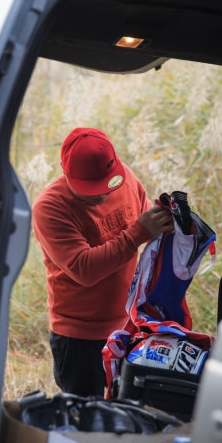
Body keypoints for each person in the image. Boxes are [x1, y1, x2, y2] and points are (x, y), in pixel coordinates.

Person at [32, 127, 174, 397]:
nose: (102, 195)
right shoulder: (50, 208)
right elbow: (85, 269)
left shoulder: (126, 180)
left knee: (127, 406)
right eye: (90, 189)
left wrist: (169, 221)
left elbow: (148, 227)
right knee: (84, 413)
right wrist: (138, 233)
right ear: (65, 172)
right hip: (79, 336)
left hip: (129, 325)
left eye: (108, 184)